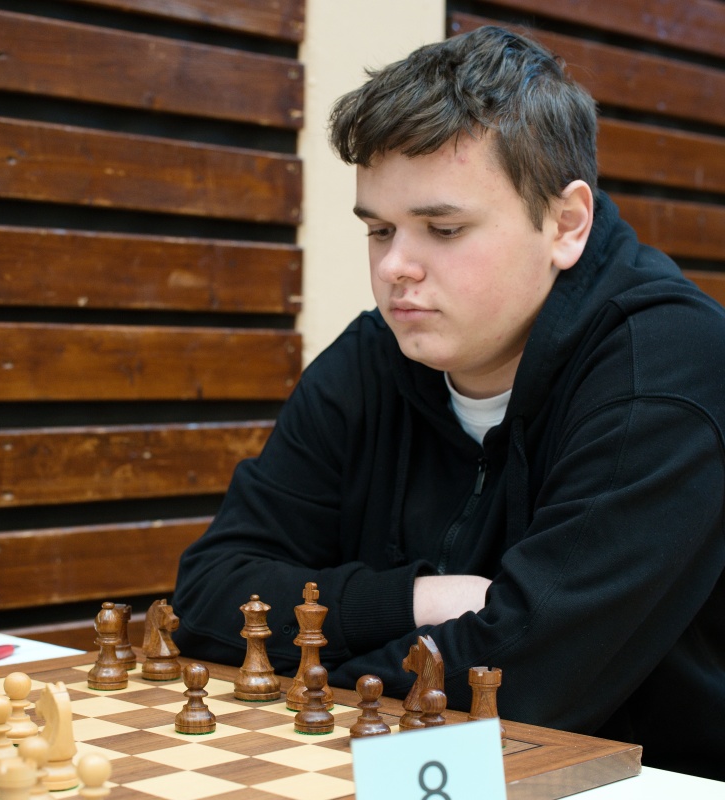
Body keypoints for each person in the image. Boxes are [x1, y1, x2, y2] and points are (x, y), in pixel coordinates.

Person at [172, 26, 725, 780]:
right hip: (409, 772)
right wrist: (416, 600)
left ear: (566, 224)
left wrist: (314, 683)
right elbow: (206, 599)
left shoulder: (667, 367)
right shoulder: (374, 357)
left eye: (443, 228)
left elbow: (525, 682)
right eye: (379, 230)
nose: (395, 267)